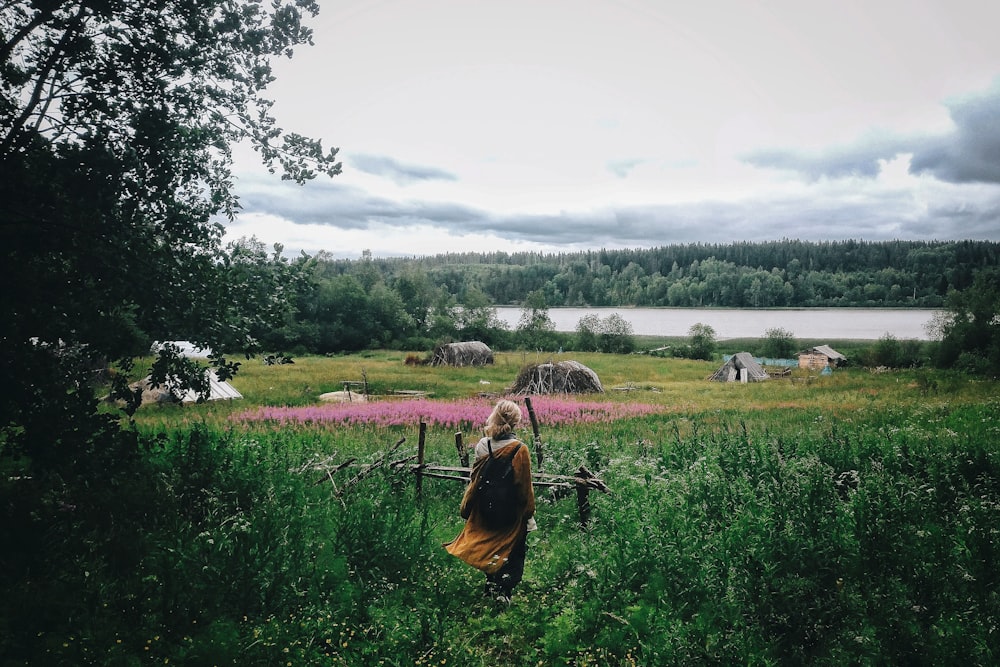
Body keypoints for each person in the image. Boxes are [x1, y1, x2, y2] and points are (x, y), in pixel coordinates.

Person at [444, 399, 536, 602]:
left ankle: (490, 588)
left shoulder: (483, 445)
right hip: (511, 515)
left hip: (486, 510)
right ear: (516, 422)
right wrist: (528, 514)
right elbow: (524, 489)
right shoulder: (520, 449)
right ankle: (503, 593)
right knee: (514, 553)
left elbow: (475, 479)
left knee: (489, 547)